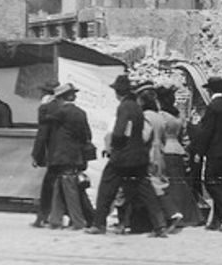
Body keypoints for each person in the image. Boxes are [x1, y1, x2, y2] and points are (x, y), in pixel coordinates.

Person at [85, 75, 169, 237]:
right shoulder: (137, 108)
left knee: (106, 189)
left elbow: (118, 131)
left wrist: (115, 145)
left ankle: (98, 224)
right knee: (146, 190)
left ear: (117, 93)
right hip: (139, 156)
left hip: (122, 156)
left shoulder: (124, 107)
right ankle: (160, 226)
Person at [45, 83, 94, 229]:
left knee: (68, 187)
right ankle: (55, 219)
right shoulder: (81, 112)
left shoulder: (59, 112)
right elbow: (87, 135)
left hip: (61, 154)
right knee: (62, 185)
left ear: (60, 98)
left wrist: (46, 104)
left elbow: (45, 119)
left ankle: (77, 221)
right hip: (76, 154)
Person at [137, 84, 184, 233]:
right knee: (160, 182)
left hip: (150, 153)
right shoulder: (159, 117)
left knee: (153, 185)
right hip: (161, 153)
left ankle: (170, 214)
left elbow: (144, 137)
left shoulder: (146, 117)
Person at [194, 76, 222, 231]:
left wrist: (199, 151)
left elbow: (206, 132)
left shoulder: (212, 107)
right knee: (220, 183)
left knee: (210, 182)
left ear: (210, 90)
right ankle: (216, 221)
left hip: (213, 151)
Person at [157, 85, 202, 226]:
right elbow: (185, 138)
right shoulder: (179, 116)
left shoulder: (161, 116)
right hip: (178, 150)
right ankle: (189, 215)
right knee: (180, 184)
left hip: (166, 150)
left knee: (167, 184)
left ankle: (170, 214)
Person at [30, 78, 62, 228]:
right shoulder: (63, 107)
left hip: (53, 153)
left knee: (48, 186)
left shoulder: (45, 108)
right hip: (66, 152)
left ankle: (43, 216)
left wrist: (36, 154)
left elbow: (42, 134)